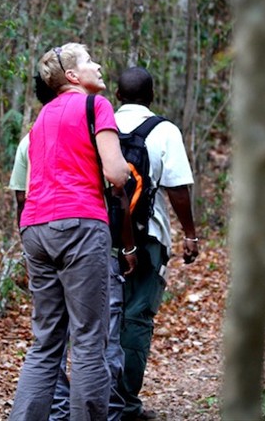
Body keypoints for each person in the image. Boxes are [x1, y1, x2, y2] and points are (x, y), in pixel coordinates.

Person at [9, 42, 133, 421]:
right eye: (90, 61)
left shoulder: (41, 118)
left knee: (46, 342)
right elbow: (115, 173)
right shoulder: (96, 106)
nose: (99, 66)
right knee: (89, 342)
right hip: (80, 223)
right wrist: (123, 174)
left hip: (35, 228)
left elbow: (29, 183)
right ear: (74, 77)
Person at [114, 66, 200, 421]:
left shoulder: (99, 125)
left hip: (95, 234)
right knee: (136, 317)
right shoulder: (164, 130)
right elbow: (177, 189)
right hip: (147, 236)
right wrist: (190, 234)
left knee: (102, 317)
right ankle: (124, 404)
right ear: (151, 96)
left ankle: (95, 399)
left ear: (117, 96)